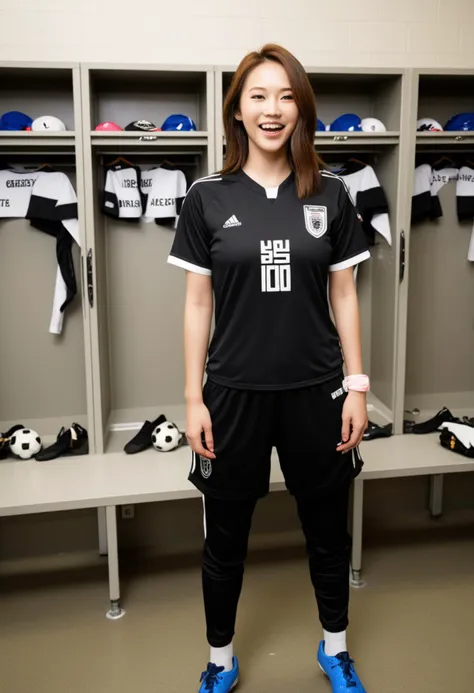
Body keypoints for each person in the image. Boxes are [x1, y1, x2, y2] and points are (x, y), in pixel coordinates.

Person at [167, 43, 370, 693]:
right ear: (237, 111)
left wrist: (358, 385)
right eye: (258, 96)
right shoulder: (206, 196)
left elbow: (344, 294)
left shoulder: (333, 195)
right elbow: (198, 302)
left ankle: (335, 649)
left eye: (286, 95)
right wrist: (193, 398)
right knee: (224, 538)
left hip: (318, 390)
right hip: (233, 394)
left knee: (327, 531)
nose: (272, 108)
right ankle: (221, 660)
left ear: (301, 108)